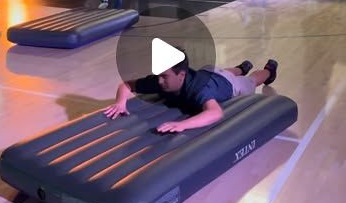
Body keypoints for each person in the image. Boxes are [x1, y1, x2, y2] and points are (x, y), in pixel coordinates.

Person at [104, 52, 278, 133]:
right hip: (209, 72)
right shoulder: (161, 79)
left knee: (253, 80)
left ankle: (269, 70)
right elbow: (126, 85)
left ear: (181, 75)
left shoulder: (198, 90)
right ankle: (241, 67)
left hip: (228, 84)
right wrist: (120, 102)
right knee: (221, 71)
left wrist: (182, 125)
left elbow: (215, 112)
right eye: (159, 75)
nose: (159, 81)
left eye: (164, 77)